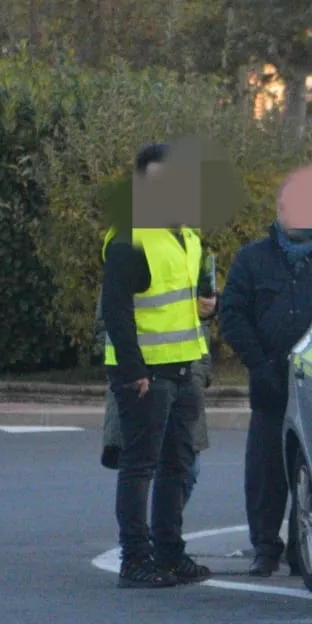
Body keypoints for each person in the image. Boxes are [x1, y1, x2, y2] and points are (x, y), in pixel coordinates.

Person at [101, 143, 216, 589]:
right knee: (140, 467)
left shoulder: (187, 236)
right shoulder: (130, 237)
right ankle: (135, 559)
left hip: (184, 366)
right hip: (145, 373)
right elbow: (115, 311)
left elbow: (182, 305)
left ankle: (169, 552)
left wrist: (208, 308)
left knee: (177, 465)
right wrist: (134, 371)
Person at [216, 165, 312, 577]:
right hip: (271, 383)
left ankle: (304, 548)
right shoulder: (252, 260)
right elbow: (233, 315)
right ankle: (265, 547)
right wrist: (260, 363)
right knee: (266, 473)